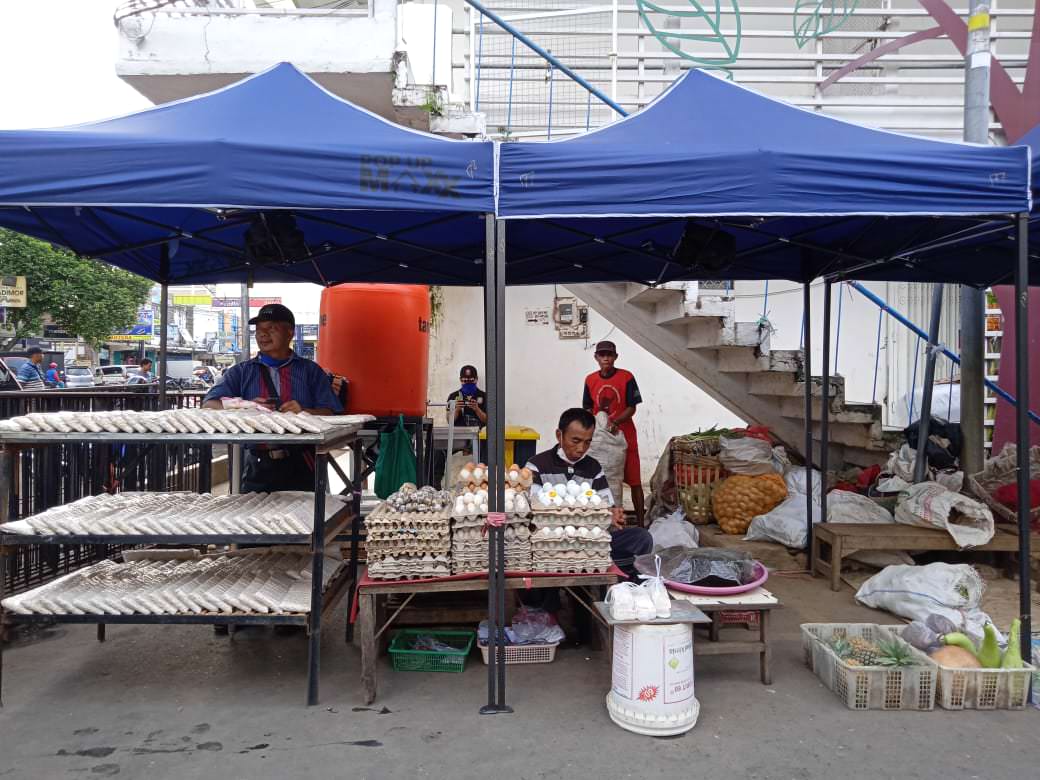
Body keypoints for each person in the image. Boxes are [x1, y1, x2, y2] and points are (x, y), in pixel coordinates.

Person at [203, 303, 342, 492]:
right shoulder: (241, 372)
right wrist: (246, 406)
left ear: (290, 333)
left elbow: (332, 413)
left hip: (304, 463)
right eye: (259, 330)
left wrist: (304, 412)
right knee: (254, 518)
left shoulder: (310, 372)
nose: (262, 334)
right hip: (257, 465)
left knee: (306, 518)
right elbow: (209, 405)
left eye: (271, 328)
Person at [526, 408, 652, 579]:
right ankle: (550, 597)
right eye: (575, 441)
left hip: (589, 543)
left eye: (587, 442)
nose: (581, 448)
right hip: (551, 544)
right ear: (559, 435)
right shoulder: (538, 465)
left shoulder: (593, 467)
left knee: (641, 537)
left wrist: (612, 514)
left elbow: (606, 505)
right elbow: (534, 513)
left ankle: (623, 587)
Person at [583, 340, 646, 526]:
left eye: (609, 355)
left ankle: (641, 523)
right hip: (601, 439)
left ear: (616, 357)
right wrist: (595, 426)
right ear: (596, 357)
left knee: (635, 480)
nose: (606, 358)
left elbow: (631, 407)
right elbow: (588, 408)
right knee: (602, 477)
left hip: (624, 434)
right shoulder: (590, 380)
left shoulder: (626, 377)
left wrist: (616, 422)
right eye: (602, 355)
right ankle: (601, 519)